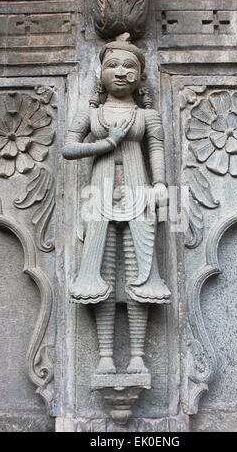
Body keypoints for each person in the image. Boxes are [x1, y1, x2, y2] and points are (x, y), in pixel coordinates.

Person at [63, 33, 170, 375]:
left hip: (139, 192)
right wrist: (107, 142)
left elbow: (155, 149)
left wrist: (160, 185)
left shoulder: (147, 115)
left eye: (129, 66)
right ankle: (105, 356)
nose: (121, 72)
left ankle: (138, 356)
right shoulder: (90, 113)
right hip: (99, 192)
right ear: (101, 74)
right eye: (112, 65)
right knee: (100, 271)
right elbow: (69, 148)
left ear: (139, 75)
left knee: (143, 272)